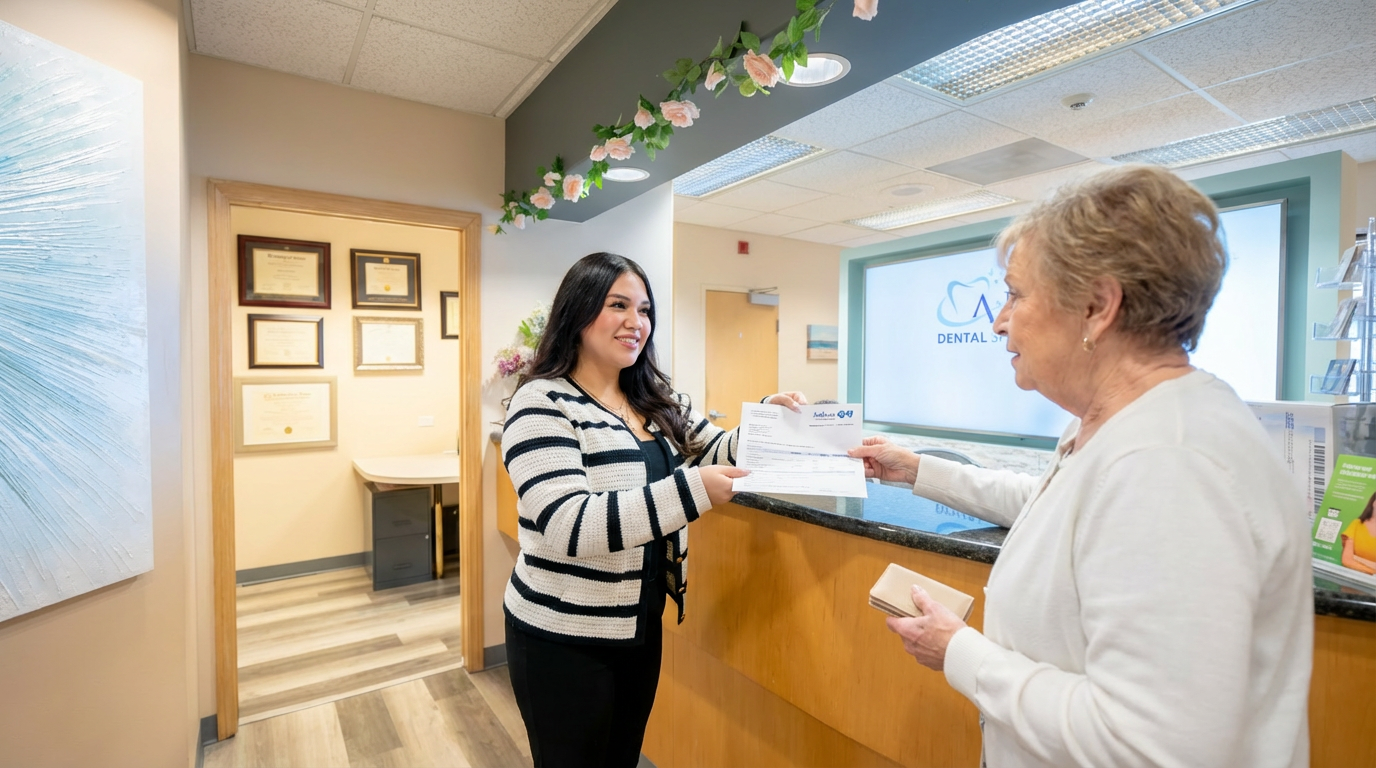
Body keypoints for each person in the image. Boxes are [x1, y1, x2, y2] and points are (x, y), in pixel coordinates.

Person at [850, 165, 1313, 768]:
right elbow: (1055, 510)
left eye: (1015, 294)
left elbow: (1152, 746)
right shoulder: (1127, 426)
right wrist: (916, 469)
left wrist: (962, 653)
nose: (998, 320)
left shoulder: (1169, 464)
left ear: (1097, 306)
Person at [500, 252, 806, 767]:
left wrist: (763, 423)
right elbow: (572, 525)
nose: (635, 322)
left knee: (621, 758)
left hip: (639, 624)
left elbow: (713, 449)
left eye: (644, 310)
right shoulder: (541, 404)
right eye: (618, 304)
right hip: (563, 634)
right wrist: (693, 490)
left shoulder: (654, 398)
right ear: (578, 311)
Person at [1341, 492, 1376, 575]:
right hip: (1352, 581)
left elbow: (1351, 560)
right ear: (1373, 502)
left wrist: (1357, 558)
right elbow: (1347, 561)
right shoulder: (1356, 524)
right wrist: (1373, 572)